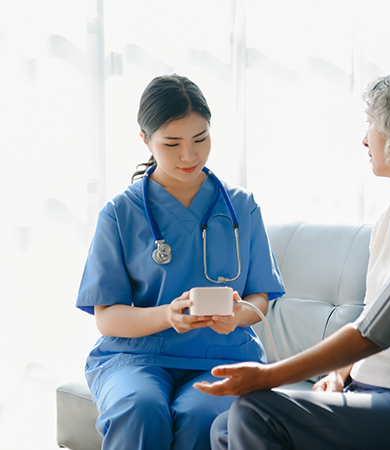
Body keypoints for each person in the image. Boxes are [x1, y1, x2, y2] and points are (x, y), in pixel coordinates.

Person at [194, 66, 390, 450]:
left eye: (372, 124)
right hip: (374, 395)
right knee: (224, 426)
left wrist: (267, 376)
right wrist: (341, 373)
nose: (364, 139)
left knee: (255, 411)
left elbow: (376, 330)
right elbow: (370, 313)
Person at [76, 74, 285, 450]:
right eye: (172, 143)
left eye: (200, 139)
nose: (189, 156)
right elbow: (106, 317)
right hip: (134, 357)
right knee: (138, 408)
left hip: (222, 355)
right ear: (146, 139)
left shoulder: (241, 207)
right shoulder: (120, 213)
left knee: (205, 418)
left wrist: (237, 317)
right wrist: (166, 317)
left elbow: (259, 298)